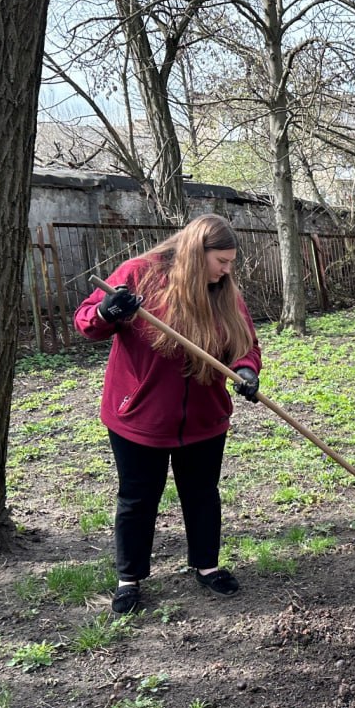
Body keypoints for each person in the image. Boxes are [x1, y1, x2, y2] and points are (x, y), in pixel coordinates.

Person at [74, 214, 262, 614]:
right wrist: (108, 311)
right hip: (139, 417)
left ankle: (207, 567)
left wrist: (246, 370)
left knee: (202, 494)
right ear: (197, 252)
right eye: (222, 261)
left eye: (231, 262)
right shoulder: (139, 274)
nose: (227, 270)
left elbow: (246, 342)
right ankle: (129, 580)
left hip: (204, 418)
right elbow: (87, 323)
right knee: (137, 499)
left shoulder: (224, 291)